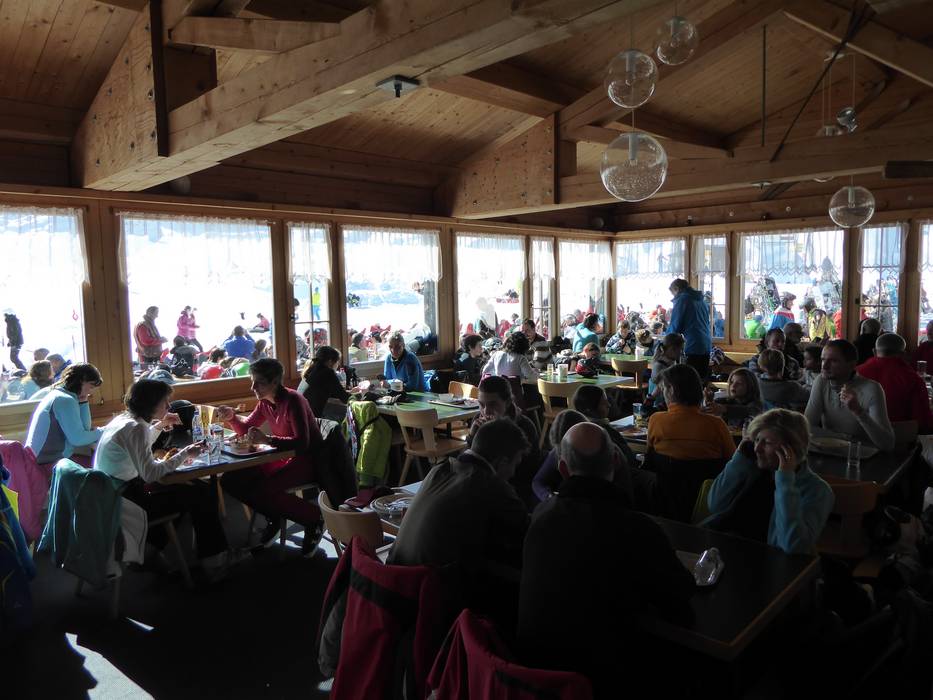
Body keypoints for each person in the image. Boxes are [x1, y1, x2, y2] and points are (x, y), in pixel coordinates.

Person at [518, 423, 695, 698]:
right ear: (615, 462)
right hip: (604, 681)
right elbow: (679, 599)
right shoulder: (638, 529)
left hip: (535, 678)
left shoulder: (541, 516)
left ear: (563, 469)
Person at [388, 419, 529, 612]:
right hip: (428, 602)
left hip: (394, 584)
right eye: (515, 464)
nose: (513, 474)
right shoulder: (491, 485)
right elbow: (528, 533)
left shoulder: (439, 469)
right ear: (502, 461)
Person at [93, 380, 229, 576]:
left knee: (190, 490)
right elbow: (150, 474)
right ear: (150, 403)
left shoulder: (124, 420)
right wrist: (185, 453)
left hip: (112, 494)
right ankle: (214, 562)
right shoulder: (136, 428)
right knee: (201, 494)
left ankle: (149, 551)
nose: (168, 405)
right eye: (164, 401)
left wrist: (159, 426)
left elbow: (137, 445)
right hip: (127, 502)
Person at [216, 358, 325, 556]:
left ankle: (314, 518)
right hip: (283, 457)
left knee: (264, 488)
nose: (253, 387)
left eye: (259, 382)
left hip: (308, 460)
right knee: (231, 480)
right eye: (252, 381)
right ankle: (274, 515)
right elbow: (246, 428)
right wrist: (232, 418)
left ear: (275, 382)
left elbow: (302, 443)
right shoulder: (265, 403)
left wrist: (268, 439)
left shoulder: (294, 401)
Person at [704, 409, 833, 555]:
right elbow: (714, 504)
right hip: (720, 548)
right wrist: (739, 458)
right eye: (757, 440)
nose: (757, 448)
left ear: (790, 449)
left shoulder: (817, 490)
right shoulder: (750, 468)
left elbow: (794, 546)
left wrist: (785, 479)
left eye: (767, 443)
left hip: (765, 560)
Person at [804, 339, 895, 451]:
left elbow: (887, 444)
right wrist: (843, 438)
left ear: (851, 365)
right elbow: (806, 426)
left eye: (833, 361)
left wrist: (858, 411)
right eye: (823, 359)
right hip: (830, 452)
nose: (824, 366)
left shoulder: (872, 388)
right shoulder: (821, 381)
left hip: (861, 456)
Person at [468, 376, 540, 508]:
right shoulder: (478, 422)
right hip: (482, 487)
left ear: (507, 403)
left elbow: (527, 472)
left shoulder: (525, 427)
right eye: (481, 405)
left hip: (516, 490)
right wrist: (472, 436)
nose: (485, 411)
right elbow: (469, 466)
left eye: (492, 404)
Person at [647, 364, 734, 460]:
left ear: (671, 390)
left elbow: (650, 456)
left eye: (663, 389)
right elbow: (732, 460)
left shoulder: (656, 421)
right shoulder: (717, 425)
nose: (663, 394)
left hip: (664, 470)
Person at [25, 363, 104, 468]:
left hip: (41, 459)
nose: (91, 392)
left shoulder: (59, 394)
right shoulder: (64, 400)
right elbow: (78, 439)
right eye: (91, 386)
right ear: (81, 381)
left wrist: (83, 401)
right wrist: (104, 431)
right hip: (43, 463)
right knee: (96, 467)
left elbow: (85, 429)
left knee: (90, 463)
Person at [858, 333, 933, 433]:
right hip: (900, 438)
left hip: (857, 435)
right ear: (903, 354)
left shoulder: (856, 372)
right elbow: (923, 422)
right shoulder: (913, 379)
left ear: (874, 351)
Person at [531, 409, 588, 502]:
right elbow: (538, 481)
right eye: (560, 447)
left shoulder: (596, 452)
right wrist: (548, 496)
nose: (563, 453)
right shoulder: (557, 452)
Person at [667, 278, 712, 381]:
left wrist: (665, 342)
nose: (674, 297)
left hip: (692, 346)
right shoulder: (701, 301)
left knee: (688, 382)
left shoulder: (683, 300)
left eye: (673, 294)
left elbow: (675, 326)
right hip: (706, 345)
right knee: (700, 382)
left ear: (677, 289)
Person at [300, 346, 359, 417]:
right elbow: (344, 398)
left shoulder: (311, 369)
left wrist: (350, 392)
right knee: (350, 414)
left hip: (301, 412)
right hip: (313, 417)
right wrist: (360, 396)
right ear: (330, 361)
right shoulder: (327, 372)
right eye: (337, 361)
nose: (338, 364)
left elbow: (332, 392)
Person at [646, 333, 684, 403]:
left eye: (682, 349)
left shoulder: (672, 362)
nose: (681, 352)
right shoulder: (659, 365)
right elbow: (659, 387)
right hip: (657, 403)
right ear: (671, 349)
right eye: (679, 349)